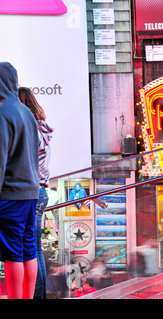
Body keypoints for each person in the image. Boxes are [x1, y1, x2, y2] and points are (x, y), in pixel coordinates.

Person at [0, 62, 40, 299]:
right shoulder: (26, 112)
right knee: (28, 247)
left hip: (11, 193)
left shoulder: (4, 113)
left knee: (12, 251)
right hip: (30, 193)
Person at [18, 86, 54, 299]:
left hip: (30, 191)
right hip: (41, 190)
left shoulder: (30, 130)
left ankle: (35, 294)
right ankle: (36, 294)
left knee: (29, 247)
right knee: (34, 247)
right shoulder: (43, 128)